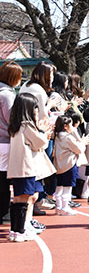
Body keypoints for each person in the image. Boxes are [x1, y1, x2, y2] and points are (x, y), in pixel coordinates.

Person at [7, 93, 55, 242]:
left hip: (17, 168)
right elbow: (40, 143)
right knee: (25, 198)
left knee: (17, 198)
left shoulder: (15, 126)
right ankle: (20, 230)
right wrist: (44, 132)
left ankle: (15, 231)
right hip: (27, 167)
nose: (36, 110)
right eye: (35, 107)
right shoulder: (26, 125)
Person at [53, 116, 89, 215]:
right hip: (69, 164)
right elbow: (79, 149)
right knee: (68, 187)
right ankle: (65, 207)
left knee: (59, 186)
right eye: (70, 125)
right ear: (65, 126)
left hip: (59, 165)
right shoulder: (68, 137)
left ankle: (58, 206)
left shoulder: (57, 136)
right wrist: (83, 142)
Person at [0, 61, 23, 225]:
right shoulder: (7, 94)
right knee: (4, 179)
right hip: (5, 141)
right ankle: (4, 212)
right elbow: (10, 118)